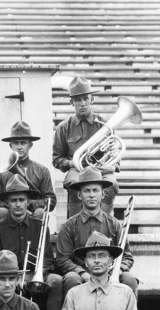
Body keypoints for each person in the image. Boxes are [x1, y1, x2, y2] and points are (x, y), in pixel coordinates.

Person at [0, 174, 63, 310]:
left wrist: (33, 277)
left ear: (28, 202)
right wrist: (15, 278)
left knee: (55, 280)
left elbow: (48, 261)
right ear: (7, 203)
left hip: (35, 275)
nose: (18, 204)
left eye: (21, 200)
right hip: (8, 277)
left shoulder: (40, 227)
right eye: (13, 200)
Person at [55, 166, 136, 296]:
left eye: (95, 190)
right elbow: (63, 259)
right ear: (80, 195)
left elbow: (126, 256)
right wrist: (83, 274)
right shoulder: (68, 226)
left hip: (108, 273)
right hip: (81, 274)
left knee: (129, 279)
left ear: (103, 194)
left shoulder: (114, 224)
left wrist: (117, 271)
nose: (91, 195)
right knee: (71, 278)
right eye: (87, 191)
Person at [52, 75, 119, 217]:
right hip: (77, 170)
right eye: (77, 100)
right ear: (72, 102)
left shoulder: (105, 124)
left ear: (91, 100)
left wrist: (111, 167)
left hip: (102, 169)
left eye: (85, 99)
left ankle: (105, 228)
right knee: (73, 183)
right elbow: (57, 160)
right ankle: (75, 229)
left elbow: (115, 155)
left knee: (111, 185)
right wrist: (71, 162)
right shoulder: (64, 128)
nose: (82, 103)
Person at [0, 121, 56, 222]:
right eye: (16, 143)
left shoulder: (42, 171)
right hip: (10, 215)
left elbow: (51, 201)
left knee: (40, 213)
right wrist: (13, 208)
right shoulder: (1, 173)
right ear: (10, 145)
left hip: (33, 216)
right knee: (0, 212)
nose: (19, 147)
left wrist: (30, 205)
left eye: (23, 143)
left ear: (30, 145)